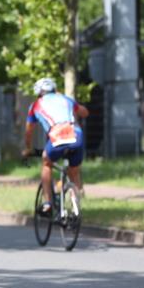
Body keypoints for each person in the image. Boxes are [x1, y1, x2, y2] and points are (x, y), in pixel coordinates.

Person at [21, 78, 89, 213]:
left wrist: (28, 148)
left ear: (38, 93)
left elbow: (29, 131)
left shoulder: (35, 106)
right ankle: (76, 205)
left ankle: (48, 202)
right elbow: (84, 112)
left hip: (58, 136)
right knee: (74, 170)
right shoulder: (65, 99)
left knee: (46, 163)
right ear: (54, 89)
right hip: (77, 135)